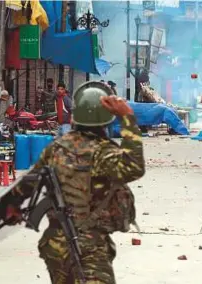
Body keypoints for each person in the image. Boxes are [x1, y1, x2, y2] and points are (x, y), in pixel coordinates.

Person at [10, 81, 145, 283]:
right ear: (106, 120)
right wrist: (128, 119)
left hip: (55, 244)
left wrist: (13, 206)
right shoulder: (101, 151)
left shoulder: (57, 148)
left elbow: (30, 182)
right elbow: (134, 167)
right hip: (88, 246)